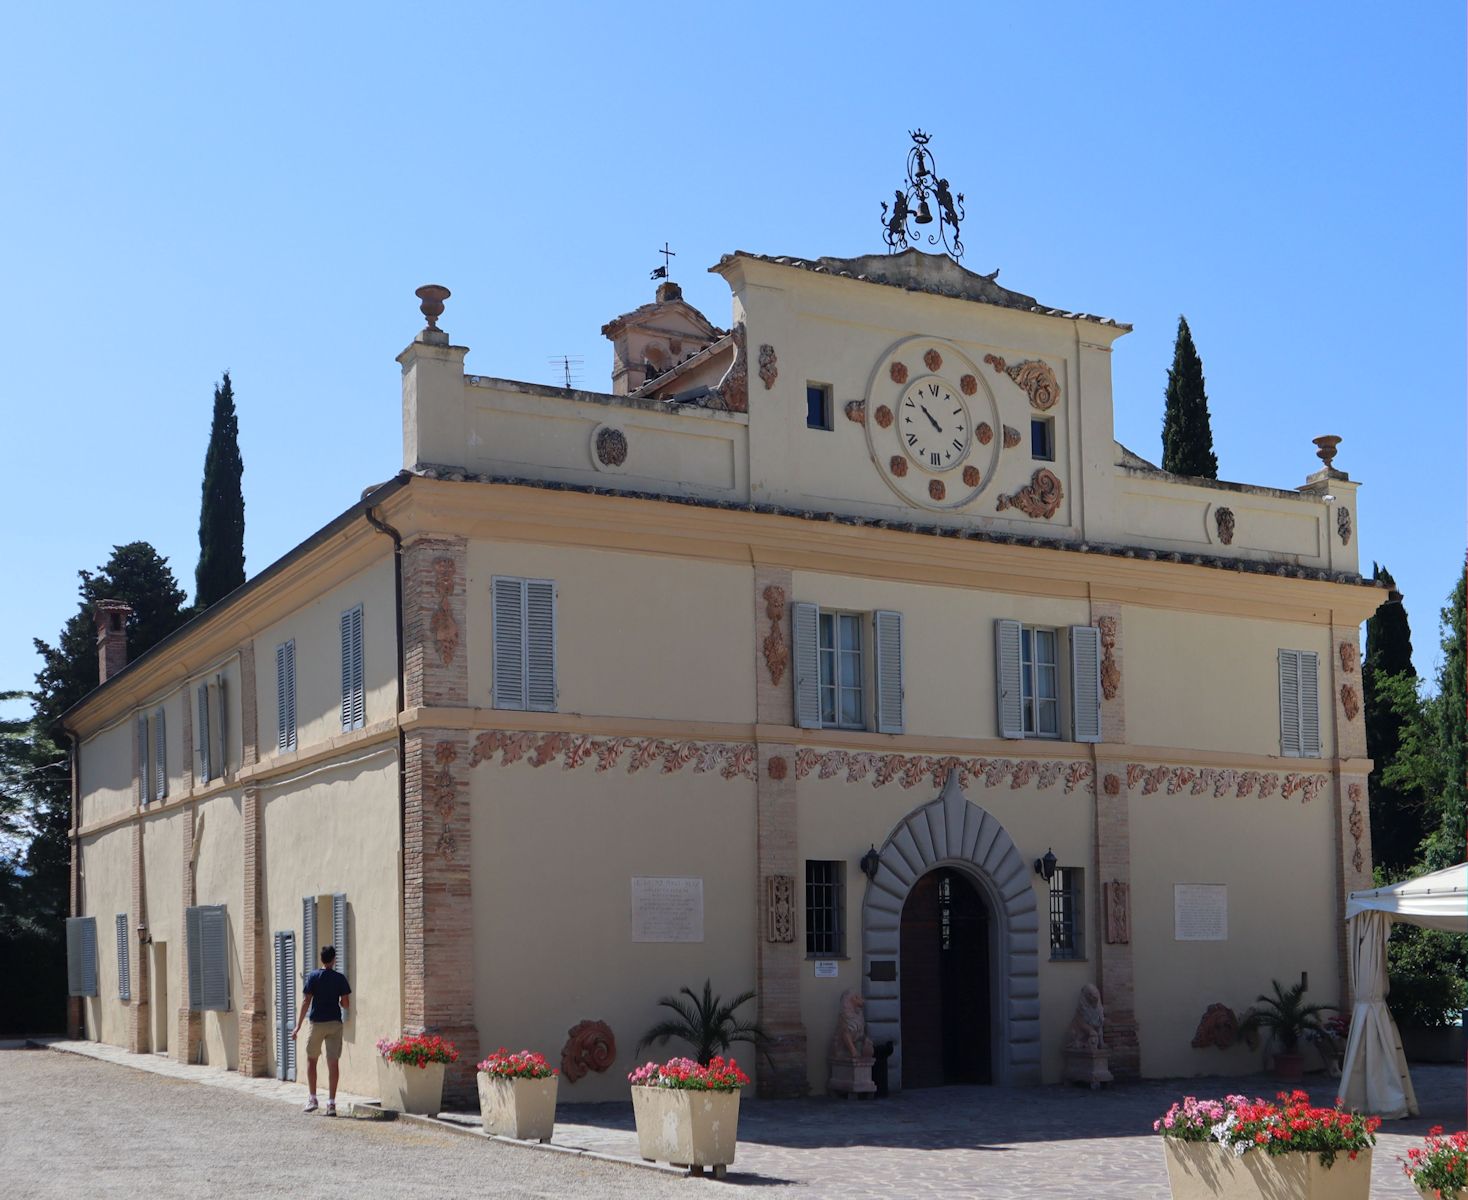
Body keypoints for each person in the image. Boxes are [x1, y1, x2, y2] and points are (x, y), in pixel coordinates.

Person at [292, 944, 352, 1115]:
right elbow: (346, 1004)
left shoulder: (313, 976)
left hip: (317, 1023)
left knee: (312, 1060)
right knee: (333, 1063)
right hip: (334, 1023)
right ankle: (331, 1103)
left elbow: (306, 1002)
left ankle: (313, 1099)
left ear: (321, 959)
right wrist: (339, 1002)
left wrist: (298, 1026)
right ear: (334, 960)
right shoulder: (340, 978)